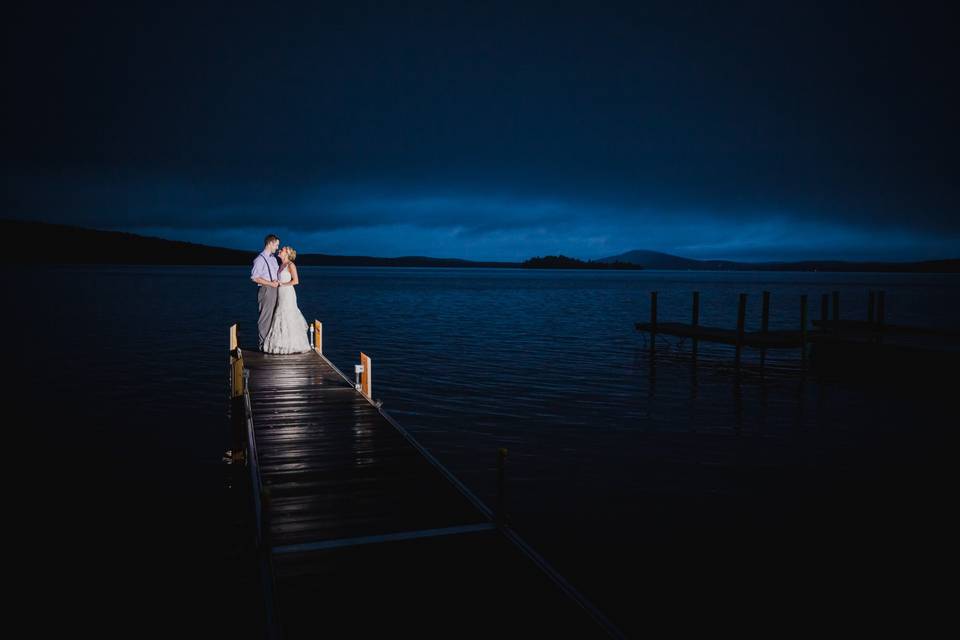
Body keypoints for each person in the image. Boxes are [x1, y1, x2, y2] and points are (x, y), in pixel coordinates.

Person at [261, 246, 312, 354]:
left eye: (282, 250)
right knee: (279, 314)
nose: (280, 250)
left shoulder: (290, 265)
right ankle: (280, 344)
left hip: (288, 293)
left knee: (288, 314)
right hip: (280, 293)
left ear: (287, 254)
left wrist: (282, 284)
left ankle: (292, 345)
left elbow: (296, 281)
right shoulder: (280, 265)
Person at [251, 234, 282, 351]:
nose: (277, 247)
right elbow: (254, 277)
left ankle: (270, 344)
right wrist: (270, 284)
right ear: (270, 243)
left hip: (275, 289)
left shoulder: (273, 259)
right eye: (276, 245)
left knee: (275, 316)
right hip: (266, 290)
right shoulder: (259, 259)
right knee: (265, 318)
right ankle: (262, 346)